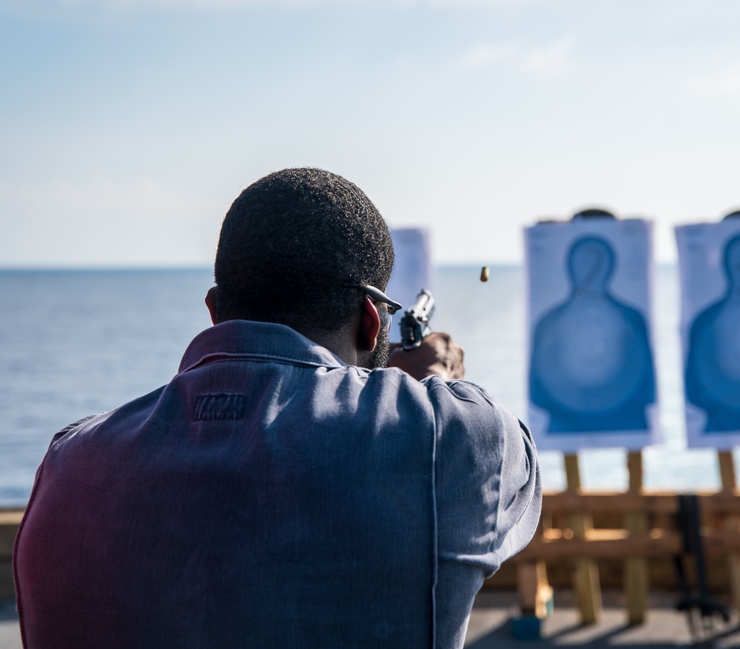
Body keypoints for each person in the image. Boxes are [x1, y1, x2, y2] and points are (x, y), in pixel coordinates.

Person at [12, 168, 543, 649]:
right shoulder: (447, 435)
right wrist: (429, 382)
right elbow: (511, 466)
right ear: (371, 322)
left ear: (215, 310)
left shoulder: (68, 461)